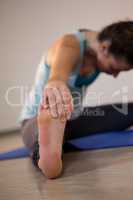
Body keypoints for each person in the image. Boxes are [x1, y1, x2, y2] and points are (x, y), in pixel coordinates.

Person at [20, 20, 133, 179]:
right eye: (114, 69)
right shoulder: (70, 44)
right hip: (33, 120)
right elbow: (60, 67)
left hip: (74, 117)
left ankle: (56, 135)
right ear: (104, 48)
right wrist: (56, 82)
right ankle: (47, 155)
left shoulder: (99, 51)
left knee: (130, 110)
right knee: (53, 124)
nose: (115, 75)